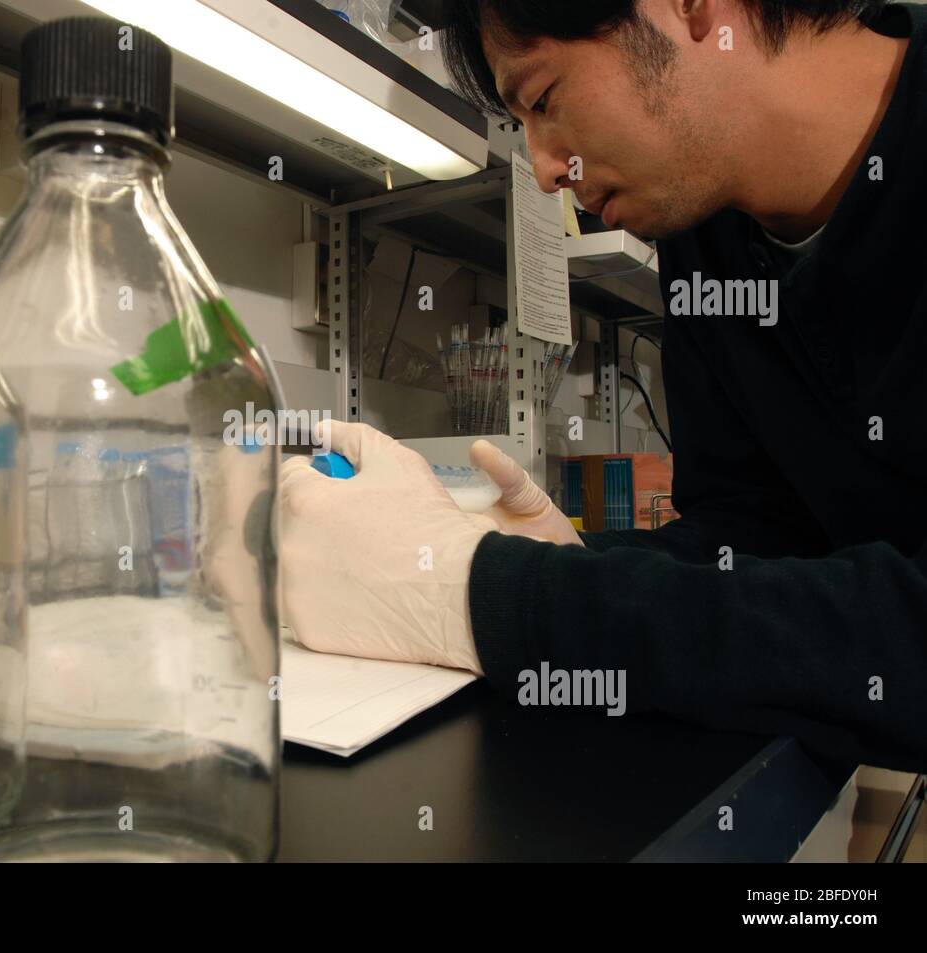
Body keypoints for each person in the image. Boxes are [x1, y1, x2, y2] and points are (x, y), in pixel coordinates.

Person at [280, 0, 927, 770]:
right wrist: (565, 558)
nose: (548, 170)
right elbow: (755, 538)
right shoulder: (705, 235)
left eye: (544, 100)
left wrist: (483, 597)